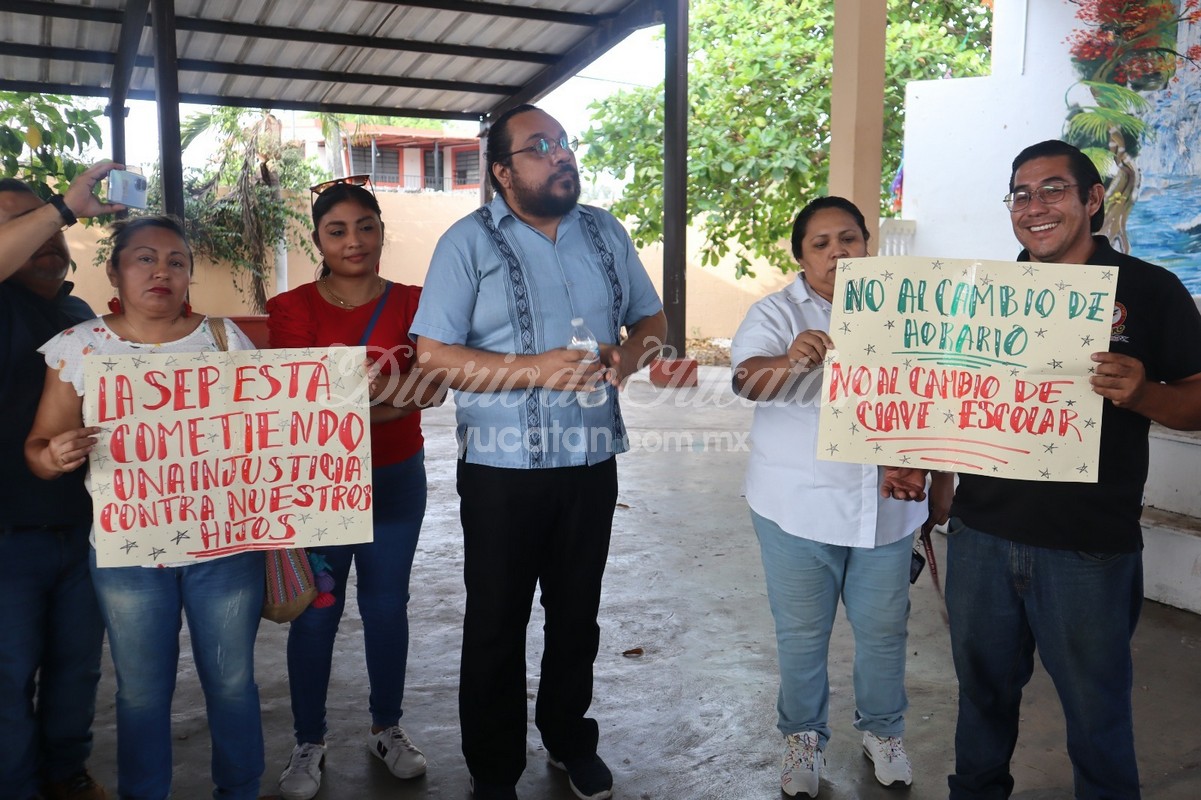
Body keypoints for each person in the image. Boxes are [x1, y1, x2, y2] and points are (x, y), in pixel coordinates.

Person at [410, 103, 667, 800]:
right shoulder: (466, 244)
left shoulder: (603, 233)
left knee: (576, 613)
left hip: (589, 463)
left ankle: (566, 737)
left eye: (563, 143)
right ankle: (494, 772)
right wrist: (533, 368)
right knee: (496, 621)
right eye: (539, 147)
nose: (560, 155)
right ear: (501, 171)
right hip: (502, 472)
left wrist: (628, 355)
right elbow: (431, 355)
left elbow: (651, 317)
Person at [945, 139, 1201, 799]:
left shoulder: (1150, 291)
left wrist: (1143, 392)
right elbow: (947, 399)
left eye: (1053, 189)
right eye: (1021, 194)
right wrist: (928, 472)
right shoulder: (982, 295)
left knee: (1096, 712)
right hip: (979, 533)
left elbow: (1196, 400)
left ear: (1092, 201)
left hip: (1088, 547)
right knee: (980, 696)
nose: (1035, 206)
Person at [24, 215, 266, 800]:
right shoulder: (81, 347)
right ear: (114, 270)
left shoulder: (226, 339)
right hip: (129, 552)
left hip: (223, 547)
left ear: (188, 274)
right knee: (139, 691)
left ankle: (240, 791)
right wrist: (54, 456)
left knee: (232, 683)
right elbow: (38, 447)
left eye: (176, 261)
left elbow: (271, 431)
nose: (162, 270)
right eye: (144, 259)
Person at [731, 196, 953, 797]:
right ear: (800, 255)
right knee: (803, 632)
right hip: (797, 506)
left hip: (889, 505)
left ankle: (883, 733)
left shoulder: (910, 310)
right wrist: (789, 359)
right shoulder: (777, 312)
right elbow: (747, 378)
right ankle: (802, 739)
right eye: (821, 243)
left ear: (866, 244)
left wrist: (941, 480)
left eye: (848, 239)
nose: (837, 253)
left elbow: (937, 394)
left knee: (885, 630)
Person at [267, 178, 441, 800]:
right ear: (317, 238)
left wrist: (353, 405)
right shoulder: (291, 308)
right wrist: (394, 400)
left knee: (387, 608)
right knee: (317, 614)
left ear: (381, 231)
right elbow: (300, 404)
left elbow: (434, 386)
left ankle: (386, 728)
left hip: (397, 479)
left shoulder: (418, 303)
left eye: (366, 226)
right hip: (320, 487)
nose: (354, 240)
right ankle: (308, 742)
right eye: (337, 230)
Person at [0, 162, 122, 800]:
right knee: (9, 676)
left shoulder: (78, 313)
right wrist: (61, 206)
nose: (44, 236)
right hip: (8, 533)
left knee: (77, 670)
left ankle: (66, 775)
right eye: (18, 223)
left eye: (48, 227)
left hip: (87, 528)